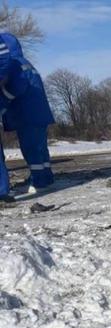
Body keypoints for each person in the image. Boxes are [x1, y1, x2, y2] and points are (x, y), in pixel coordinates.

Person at [0, 32, 55, 202]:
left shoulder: (15, 66)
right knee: (40, 147)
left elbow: (16, 87)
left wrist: (3, 103)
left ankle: (37, 180)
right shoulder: (27, 63)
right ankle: (47, 177)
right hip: (40, 112)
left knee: (31, 148)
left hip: (26, 113)